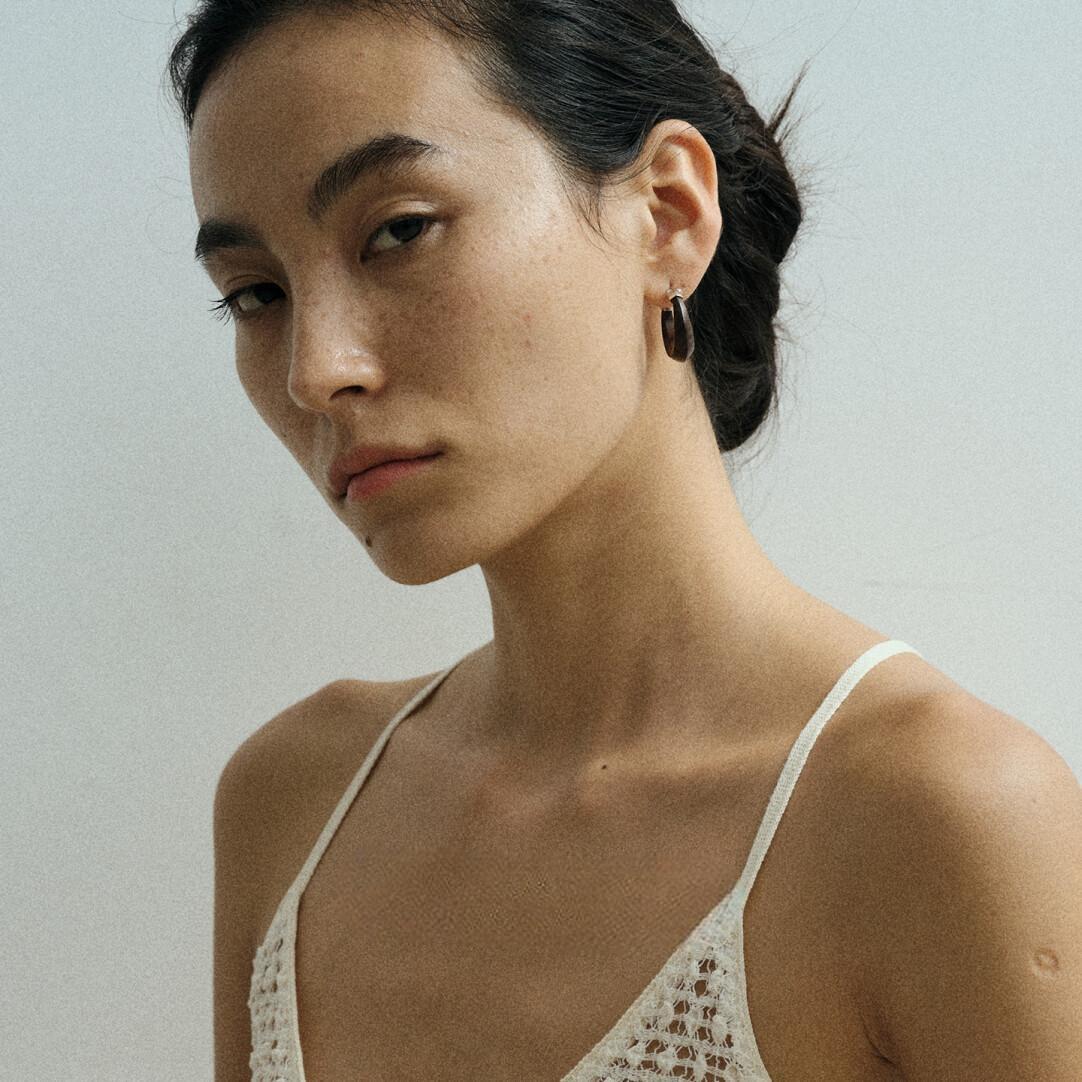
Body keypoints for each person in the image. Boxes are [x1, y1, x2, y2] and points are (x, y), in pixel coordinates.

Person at [169, 3, 1081, 1080]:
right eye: (256, 294)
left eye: (399, 230)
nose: (316, 370)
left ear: (667, 212)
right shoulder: (293, 802)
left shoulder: (938, 818)